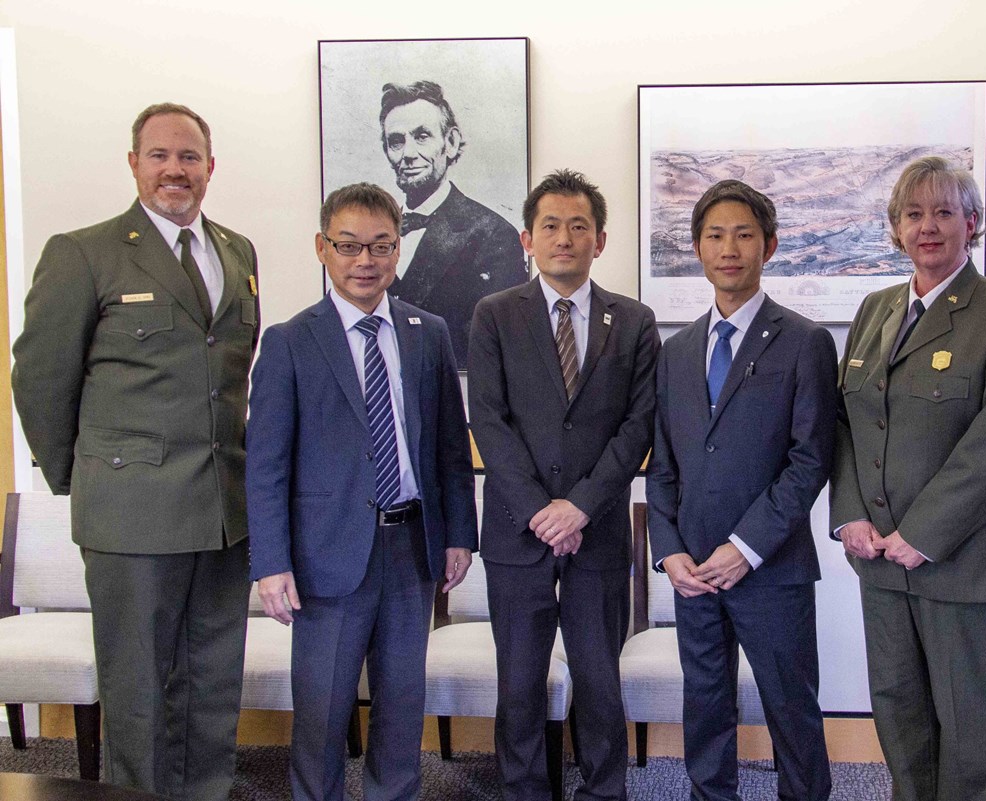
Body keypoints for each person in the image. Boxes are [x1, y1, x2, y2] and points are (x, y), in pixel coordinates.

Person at [10, 102, 259, 801]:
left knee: (212, 676)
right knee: (140, 685)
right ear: (134, 164)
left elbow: (230, 373)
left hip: (222, 511)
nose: (175, 169)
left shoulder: (237, 251)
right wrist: (83, 478)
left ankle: (206, 790)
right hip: (131, 514)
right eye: (159, 155)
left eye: (189, 156)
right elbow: (40, 377)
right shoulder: (84, 251)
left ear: (211, 166)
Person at [245, 183, 477, 801]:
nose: (365, 261)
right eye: (349, 246)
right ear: (323, 248)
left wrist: (459, 536)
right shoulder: (291, 341)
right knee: (321, 712)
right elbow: (265, 464)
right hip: (326, 556)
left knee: (402, 709)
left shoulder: (428, 332)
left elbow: (451, 448)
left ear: (397, 251)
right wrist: (270, 563)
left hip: (412, 550)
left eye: (380, 246)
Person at [830, 156, 986, 801]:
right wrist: (851, 516)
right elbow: (847, 422)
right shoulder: (874, 310)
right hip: (882, 562)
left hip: (971, 566)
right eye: (913, 214)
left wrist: (923, 533)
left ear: (972, 223)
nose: (928, 227)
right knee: (902, 724)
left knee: (976, 736)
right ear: (896, 229)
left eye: (944, 212)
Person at [467, 169, 658, 801]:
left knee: (600, 681)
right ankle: (526, 791)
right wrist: (539, 511)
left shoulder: (632, 321)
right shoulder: (494, 315)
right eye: (550, 225)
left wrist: (578, 506)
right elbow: (488, 420)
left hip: (597, 528)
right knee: (519, 683)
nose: (565, 238)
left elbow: (637, 427)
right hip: (517, 533)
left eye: (580, 226)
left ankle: (605, 791)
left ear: (600, 240)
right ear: (527, 238)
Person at [646, 179, 837, 801]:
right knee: (705, 711)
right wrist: (669, 550)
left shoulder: (805, 342)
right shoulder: (673, 352)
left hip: (770, 567)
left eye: (744, 235)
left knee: (792, 714)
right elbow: (665, 465)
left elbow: (809, 462)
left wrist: (745, 547)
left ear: (770, 246)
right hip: (693, 571)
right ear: (697, 249)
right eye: (715, 235)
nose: (729, 248)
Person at [380, 80, 528, 367]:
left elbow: (494, 348)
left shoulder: (493, 234)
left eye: (422, 136)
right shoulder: (374, 233)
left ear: (450, 142)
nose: (408, 153)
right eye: (396, 141)